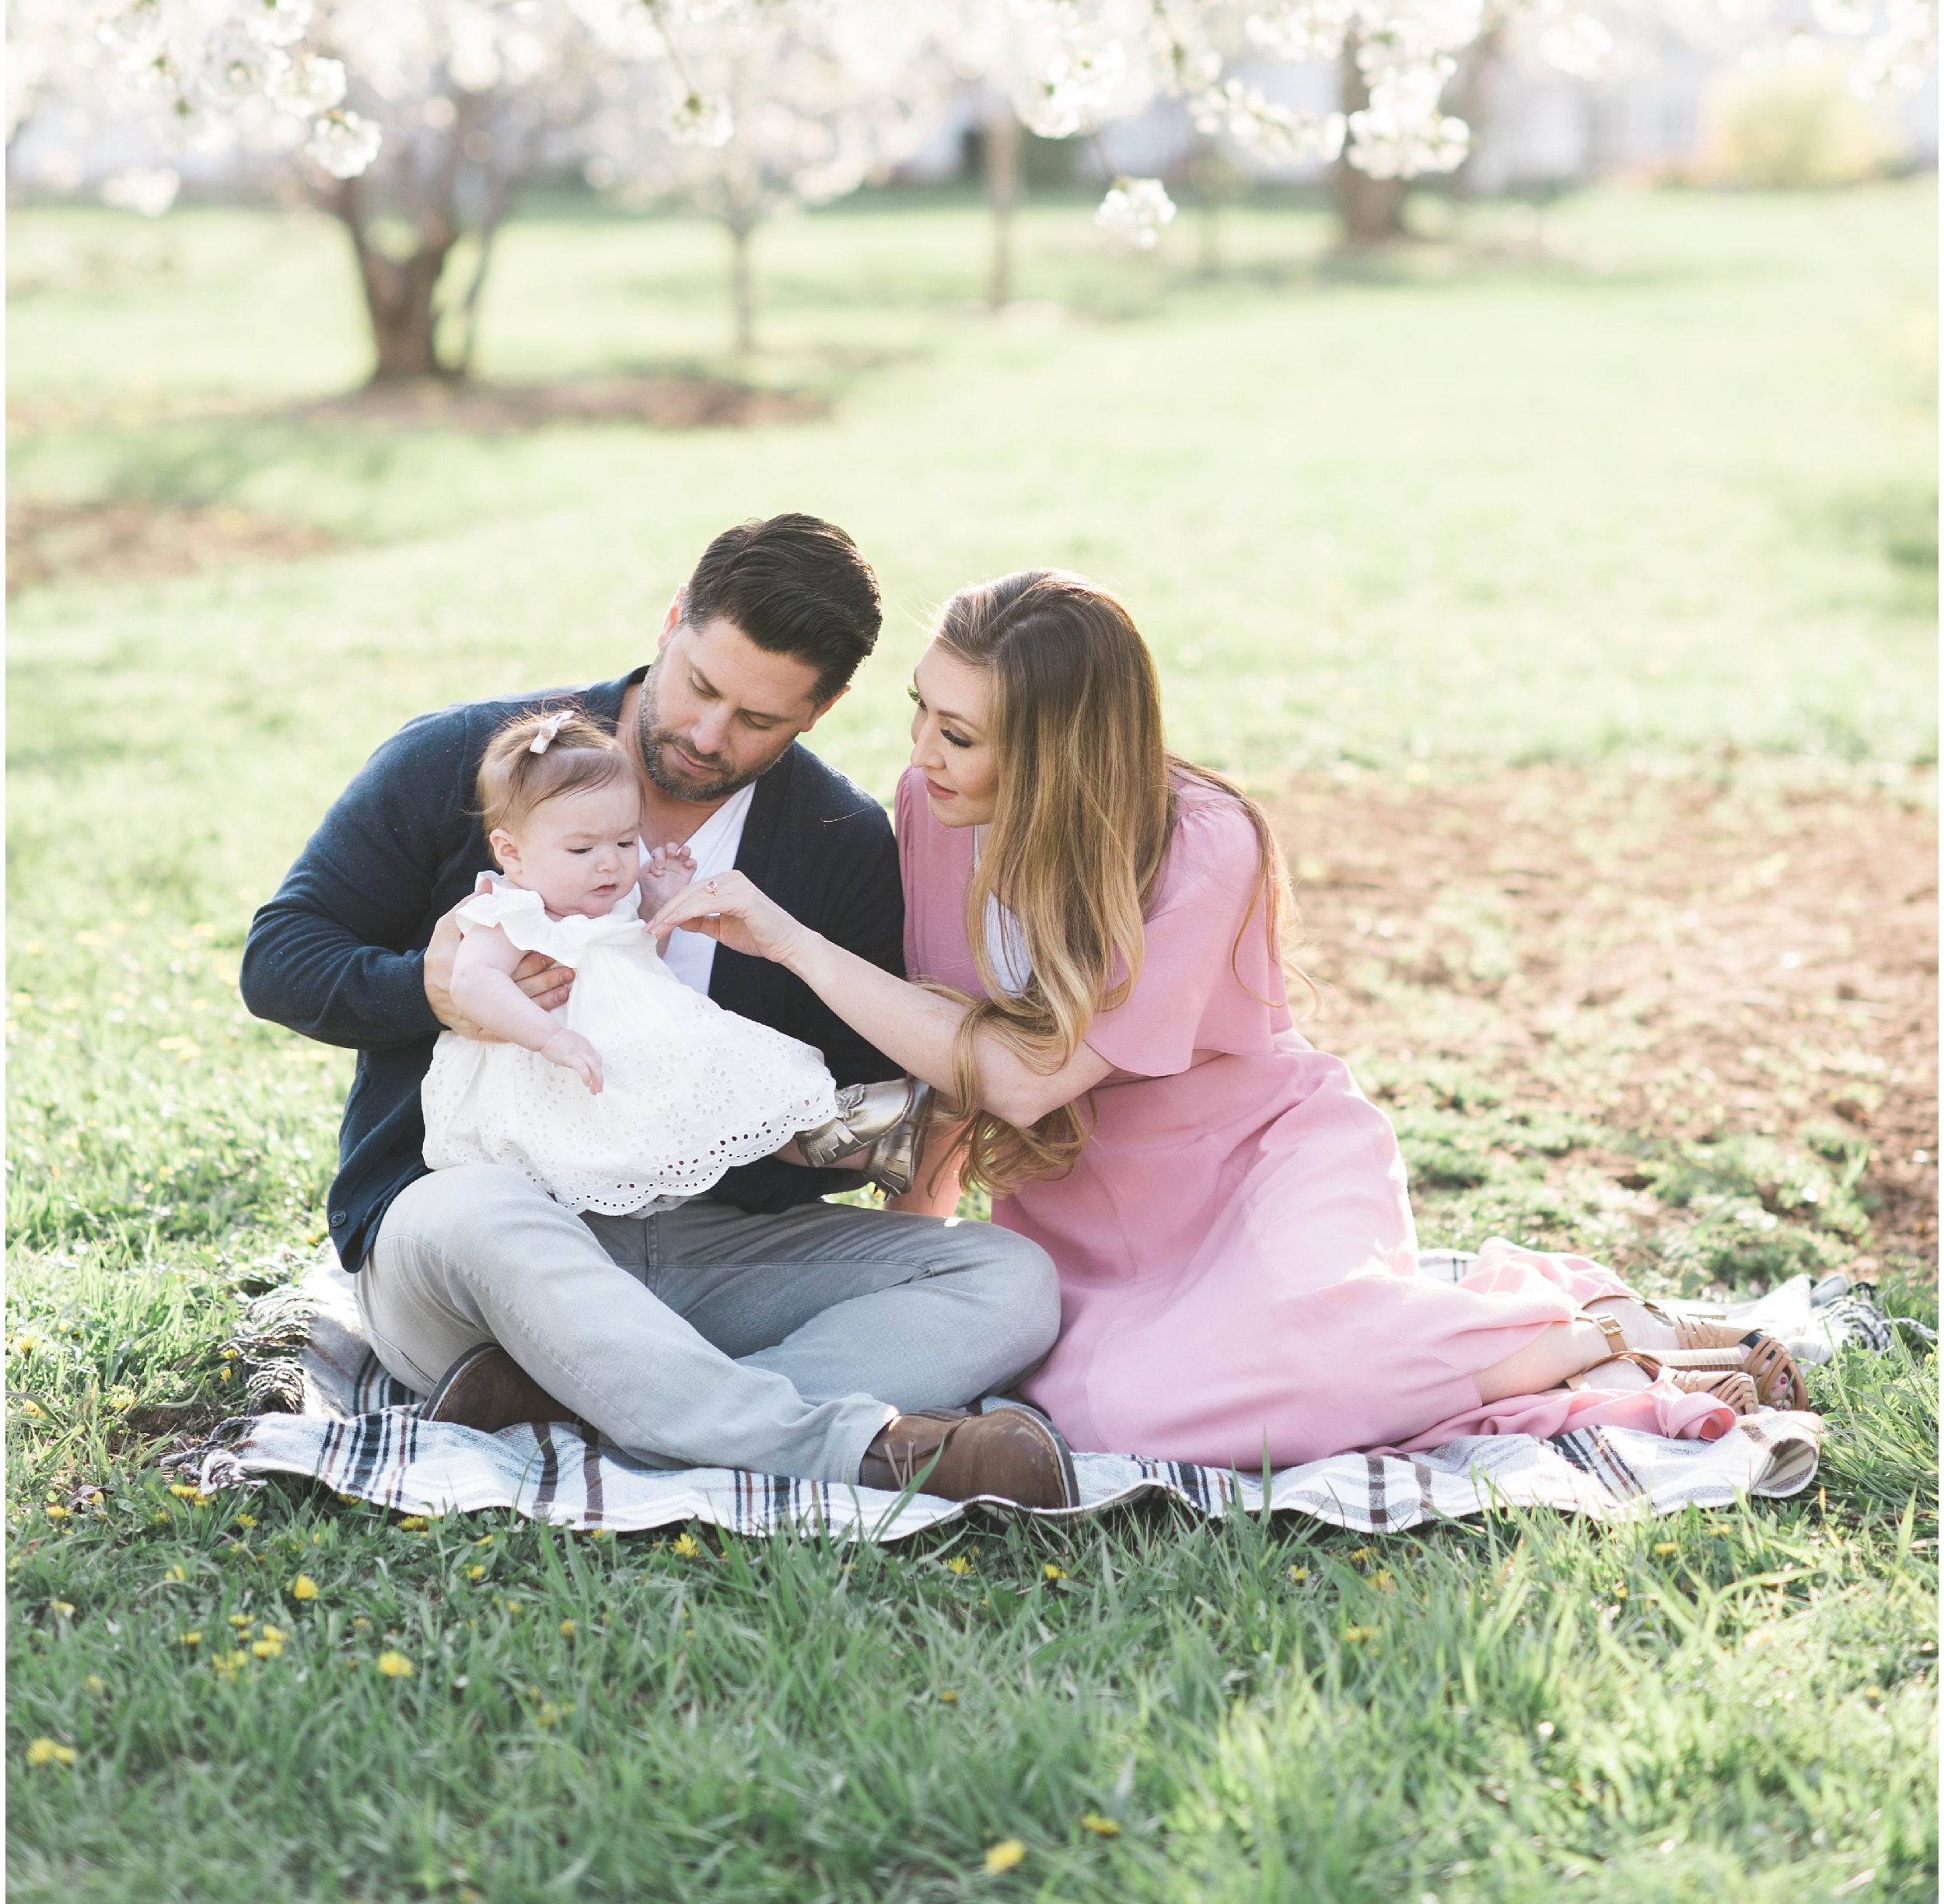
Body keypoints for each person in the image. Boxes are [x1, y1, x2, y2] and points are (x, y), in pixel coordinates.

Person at [649, 568, 1805, 1468]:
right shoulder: (932, 805)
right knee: (1112, 1411)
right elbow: (953, 1048)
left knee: (1303, 1342)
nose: (921, 755)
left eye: (960, 734)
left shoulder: (1206, 841)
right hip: (1087, 1206)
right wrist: (919, 1238)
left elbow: (1027, 1076)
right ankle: (1511, 1327)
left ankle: (1580, 1335)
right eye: (922, 715)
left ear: (1057, 749)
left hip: (1257, 1161)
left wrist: (794, 945)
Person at [241, 515, 1072, 1506]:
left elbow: (862, 1093)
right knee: (486, 1212)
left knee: (1011, 1280)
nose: (707, 736)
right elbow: (280, 958)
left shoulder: (838, 843)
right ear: (673, 620)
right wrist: (433, 993)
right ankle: (862, 1450)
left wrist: (815, 1118)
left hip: (705, 1249)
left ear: (826, 707)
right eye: (701, 686)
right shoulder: (475, 761)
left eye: (758, 720)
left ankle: (577, 1404)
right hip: (475, 1229)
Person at [425, 704, 840, 1214]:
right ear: (511, 853)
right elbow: (471, 982)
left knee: (715, 1059)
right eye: (581, 850)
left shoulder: (611, 903)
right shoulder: (511, 910)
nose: (610, 862)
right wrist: (550, 1036)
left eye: (625, 841)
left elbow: (642, 958)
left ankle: (824, 1130)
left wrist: (655, 907)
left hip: (622, 1052)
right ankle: (822, 1135)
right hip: (546, 1068)